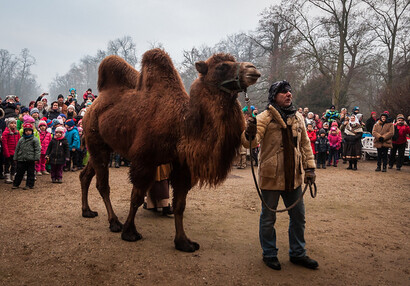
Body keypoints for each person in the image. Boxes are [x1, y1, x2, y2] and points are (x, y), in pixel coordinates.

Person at [243, 80, 318, 271]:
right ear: (274, 95)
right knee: (268, 218)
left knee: (299, 216)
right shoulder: (264, 117)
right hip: (271, 176)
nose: (288, 94)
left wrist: (309, 168)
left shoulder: (298, 117)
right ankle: (269, 254)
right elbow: (249, 143)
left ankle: (298, 253)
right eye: (283, 92)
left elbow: (305, 145)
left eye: (289, 91)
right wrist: (249, 132)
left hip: (294, 177)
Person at [12, 123, 41, 190]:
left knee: (30, 173)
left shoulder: (35, 139)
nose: (28, 132)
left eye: (29, 130)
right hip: (21, 159)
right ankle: (16, 184)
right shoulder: (21, 139)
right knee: (19, 172)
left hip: (31, 159)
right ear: (24, 131)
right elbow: (17, 149)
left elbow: (37, 150)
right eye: (26, 131)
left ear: (32, 131)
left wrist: (37, 158)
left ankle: (29, 184)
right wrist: (15, 157)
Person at [2, 118, 20, 183]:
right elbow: (4, 144)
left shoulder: (17, 132)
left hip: (15, 152)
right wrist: (7, 153)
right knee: (7, 164)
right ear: (8, 124)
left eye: (14, 123)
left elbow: (19, 142)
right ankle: (7, 175)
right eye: (11, 123)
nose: (13, 125)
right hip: (8, 152)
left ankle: (13, 175)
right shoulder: (6, 133)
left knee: (14, 164)